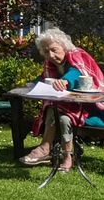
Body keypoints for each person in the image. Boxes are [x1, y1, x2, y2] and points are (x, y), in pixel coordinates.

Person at [20, 29, 104, 171]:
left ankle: (45, 148)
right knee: (62, 116)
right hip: (70, 109)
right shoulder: (51, 65)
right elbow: (44, 79)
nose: (51, 55)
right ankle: (66, 158)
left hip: (93, 110)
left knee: (57, 110)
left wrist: (65, 81)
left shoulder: (77, 55)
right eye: (46, 52)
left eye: (54, 50)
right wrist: (32, 84)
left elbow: (76, 72)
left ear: (64, 46)